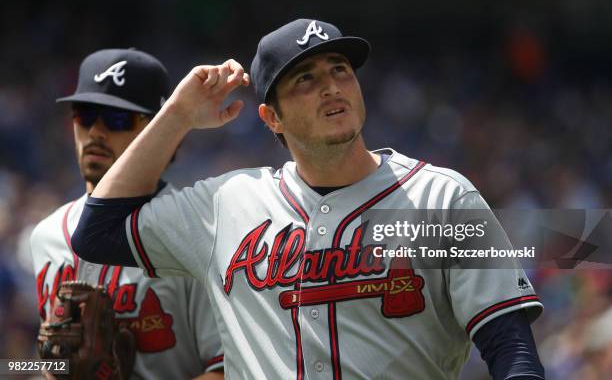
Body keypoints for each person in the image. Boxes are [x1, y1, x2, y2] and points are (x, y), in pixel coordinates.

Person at [72, 21, 546, 379]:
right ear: (271, 117)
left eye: (340, 70)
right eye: (305, 79)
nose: (332, 86)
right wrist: (175, 114)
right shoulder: (227, 203)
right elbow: (96, 233)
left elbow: (511, 347)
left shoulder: (443, 196)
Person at [30, 49, 224, 379]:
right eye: (85, 115)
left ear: (163, 134)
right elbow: (39, 366)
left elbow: (227, 369)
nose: (96, 132)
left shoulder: (196, 233)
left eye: (119, 119)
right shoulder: (45, 237)